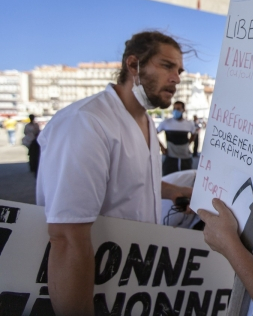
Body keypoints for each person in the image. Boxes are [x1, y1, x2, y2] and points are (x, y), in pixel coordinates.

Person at [36, 31, 193, 315]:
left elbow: (129, 181)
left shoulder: (144, 120)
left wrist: (173, 191)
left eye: (179, 70)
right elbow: (66, 237)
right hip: (88, 286)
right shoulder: (86, 123)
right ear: (133, 65)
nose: (177, 78)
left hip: (130, 284)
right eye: (167, 66)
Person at [157, 100, 197, 175]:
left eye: (178, 109)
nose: (175, 111)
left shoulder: (189, 124)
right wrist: (162, 147)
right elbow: (154, 133)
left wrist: (189, 143)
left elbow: (194, 134)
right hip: (170, 156)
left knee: (186, 177)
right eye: (174, 109)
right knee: (169, 177)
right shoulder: (166, 123)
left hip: (185, 156)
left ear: (183, 110)